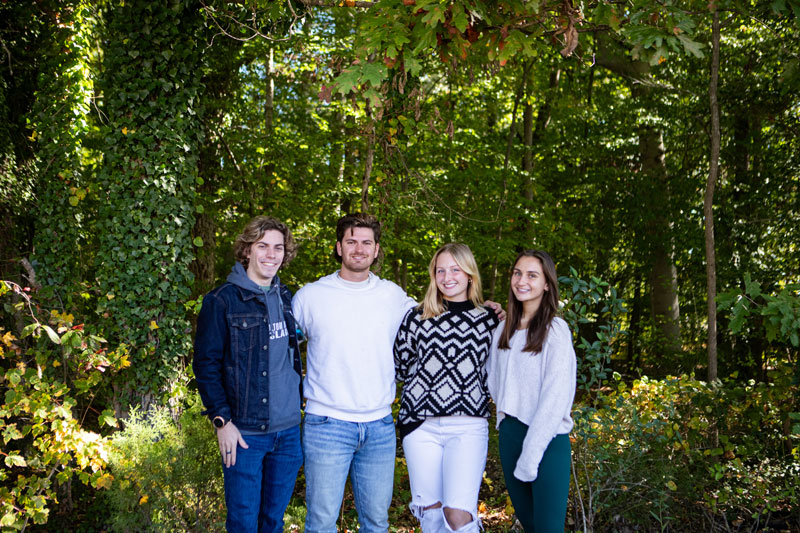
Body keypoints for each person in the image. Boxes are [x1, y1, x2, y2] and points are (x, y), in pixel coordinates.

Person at [292, 212, 417, 533]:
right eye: (351, 242)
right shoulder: (310, 297)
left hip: (379, 427)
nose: (358, 249)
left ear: (376, 250)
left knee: (376, 523)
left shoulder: (393, 296)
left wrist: (483, 308)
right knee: (320, 524)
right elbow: (280, 352)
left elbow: (437, 317)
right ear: (338, 247)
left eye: (366, 243)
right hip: (326, 425)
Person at [193, 216, 303, 533]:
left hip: (289, 434)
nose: (271, 254)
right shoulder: (222, 300)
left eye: (278, 248)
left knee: (273, 522)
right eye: (263, 246)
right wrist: (222, 421)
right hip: (245, 434)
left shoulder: (286, 297)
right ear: (247, 250)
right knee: (243, 524)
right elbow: (205, 364)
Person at [393, 243, 499, 533]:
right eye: (441, 270)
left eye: (455, 269)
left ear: (469, 276)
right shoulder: (417, 317)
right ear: (433, 275)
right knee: (430, 513)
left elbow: (497, 372)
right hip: (420, 425)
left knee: (457, 512)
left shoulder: (490, 320)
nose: (447, 276)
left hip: (467, 425)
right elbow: (400, 367)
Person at [486, 250, 576, 532]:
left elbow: (556, 398)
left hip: (547, 441)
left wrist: (531, 454)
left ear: (547, 284)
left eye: (532, 275)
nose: (521, 280)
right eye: (517, 273)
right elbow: (493, 382)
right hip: (510, 435)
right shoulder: (502, 329)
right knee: (531, 525)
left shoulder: (555, 330)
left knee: (548, 529)